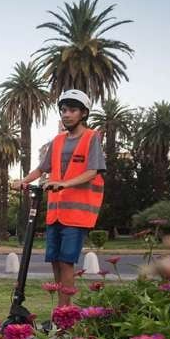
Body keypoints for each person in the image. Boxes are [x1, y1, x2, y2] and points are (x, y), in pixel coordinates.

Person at [11, 89, 106, 306]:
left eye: (72, 110)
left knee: (66, 262)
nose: (66, 114)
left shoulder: (92, 137)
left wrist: (64, 183)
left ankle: (66, 313)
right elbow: (42, 168)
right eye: (63, 110)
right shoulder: (58, 140)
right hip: (55, 212)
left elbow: (93, 171)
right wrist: (23, 181)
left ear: (83, 113)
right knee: (54, 260)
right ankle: (62, 309)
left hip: (78, 213)